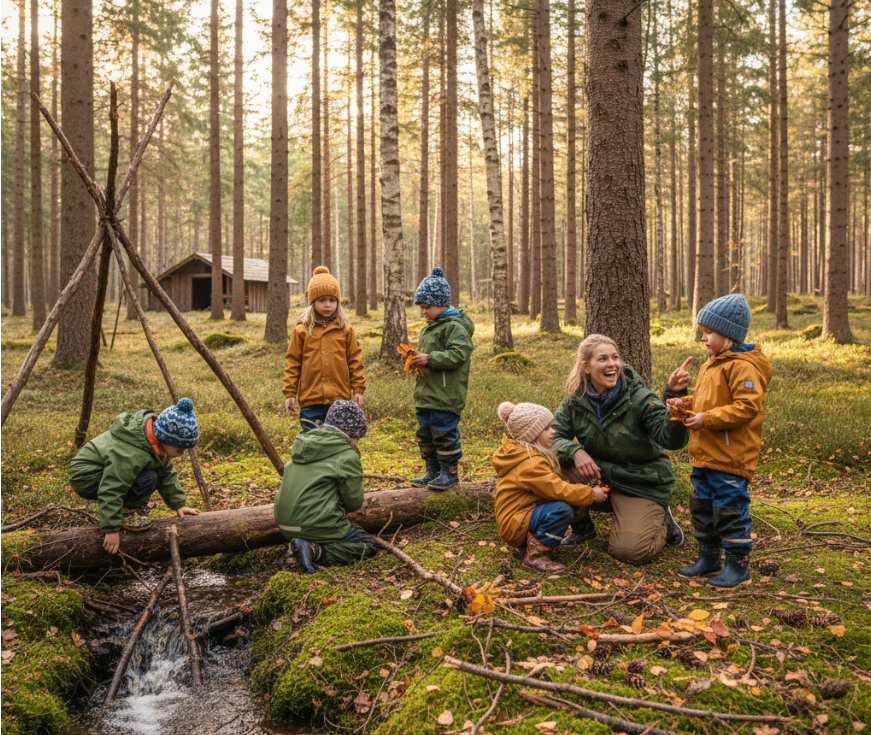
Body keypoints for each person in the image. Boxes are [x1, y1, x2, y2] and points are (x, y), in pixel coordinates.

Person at [551, 334, 691, 564]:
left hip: (639, 483)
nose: (612, 364)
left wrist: (675, 401)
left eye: (615, 357)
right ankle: (582, 526)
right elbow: (554, 437)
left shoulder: (639, 398)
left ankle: (661, 522)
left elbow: (671, 441)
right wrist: (575, 451)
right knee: (550, 465)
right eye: (603, 359)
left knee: (629, 551)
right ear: (586, 367)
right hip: (600, 477)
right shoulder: (575, 399)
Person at [667, 294, 772, 588]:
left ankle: (738, 565)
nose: (703, 338)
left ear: (727, 334)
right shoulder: (711, 364)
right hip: (705, 455)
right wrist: (683, 403)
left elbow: (747, 407)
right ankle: (709, 557)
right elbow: (706, 401)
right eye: (702, 332)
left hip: (730, 456)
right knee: (702, 506)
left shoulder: (743, 366)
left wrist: (706, 420)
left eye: (708, 332)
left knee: (729, 509)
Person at [68, 398, 202, 555]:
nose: (181, 453)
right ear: (167, 438)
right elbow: (111, 487)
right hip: (85, 478)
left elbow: (167, 474)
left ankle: (129, 508)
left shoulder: (155, 445)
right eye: (180, 449)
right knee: (149, 477)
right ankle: (126, 512)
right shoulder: (131, 454)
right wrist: (111, 529)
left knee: (154, 473)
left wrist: (178, 504)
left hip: (104, 473)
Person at [493, 402, 608, 573]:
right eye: (546, 428)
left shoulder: (526, 455)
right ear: (533, 434)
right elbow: (559, 489)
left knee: (569, 497)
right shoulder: (530, 463)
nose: (553, 431)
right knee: (561, 508)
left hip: (520, 518)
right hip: (515, 525)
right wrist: (591, 494)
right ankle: (535, 557)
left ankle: (579, 531)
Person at [275, 400, 378, 573]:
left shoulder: (303, 446)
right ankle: (316, 551)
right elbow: (354, 503)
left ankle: (297, 548)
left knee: (321, 526)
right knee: (367, 544)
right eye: (358, 437)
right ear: (352, 435)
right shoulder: (347, 456)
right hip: (316, 525)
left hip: (284, 526)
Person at [408, 266, 475, 491]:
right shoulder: (429, 329)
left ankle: (449, 472)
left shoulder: (455, 326)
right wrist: (416, 361)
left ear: (441, 303)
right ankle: (432, 470)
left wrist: (430, 359)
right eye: (421, 308)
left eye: (426, 307)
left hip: (446, 396)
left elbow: (460, 354)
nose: (423, 312)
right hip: (426, 393)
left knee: (444, 432)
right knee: (425, 433)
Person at [283, 266, 366, 432]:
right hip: (310, 401)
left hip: (340, 401)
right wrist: (290, 393)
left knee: (337, 444)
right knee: (313, 444)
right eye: (322, 300)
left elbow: (355, 360)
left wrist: (358, 389)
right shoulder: (302, 330)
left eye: (332, 300)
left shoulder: (345, 329)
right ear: (313, 302)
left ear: (338, 302)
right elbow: (293, 363)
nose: (327, 305)